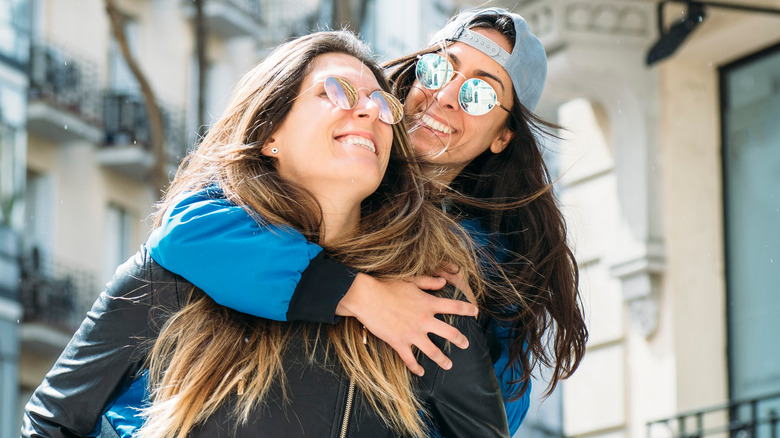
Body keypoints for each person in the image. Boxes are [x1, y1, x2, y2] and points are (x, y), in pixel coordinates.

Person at [22, 31, 509, 438]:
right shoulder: (174, 274)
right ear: (270, 132)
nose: (368, 113)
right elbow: (50, 423)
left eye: (384, 105)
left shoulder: (427, 304)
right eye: (336, 91)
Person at [126, 7, 588, 435]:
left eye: (481, 93)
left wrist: (460, 340)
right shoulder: (332, 158)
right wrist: (359, 294)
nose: (445, 96)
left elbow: (489, 420)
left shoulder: (495, 273)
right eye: (439, 69)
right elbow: (186, 232)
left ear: (503, 137)